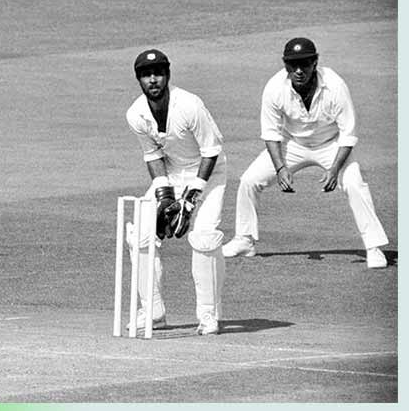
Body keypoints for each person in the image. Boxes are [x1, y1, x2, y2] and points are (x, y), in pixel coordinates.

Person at [221, 37, 389, 269]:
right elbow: (270, 133)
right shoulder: (274, 88)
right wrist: (280, 168)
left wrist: (334, 169)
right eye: (293, 65)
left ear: (315, 62)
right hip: (293, 144)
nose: (299, 70)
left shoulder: (335, 85)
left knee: (354, 183)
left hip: (331, 144)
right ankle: (244, 241)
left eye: (305, 64)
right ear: (285, 65)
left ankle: (374, 247)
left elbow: (348, 134)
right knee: (249, 180)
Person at [125, 48, 227, 335]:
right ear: (139, 80)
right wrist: (165, 195)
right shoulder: (136, 114)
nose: (153, 80)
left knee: (204, 238)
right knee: (140, 235)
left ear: (167, 75)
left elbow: (211, 151)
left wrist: (191, 198)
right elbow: (152, 156)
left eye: (158, 74)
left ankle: (208, 315)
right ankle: (153, 311)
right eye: (146, 75)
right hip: (171, 173)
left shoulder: (189, 105)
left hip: (209, 172)